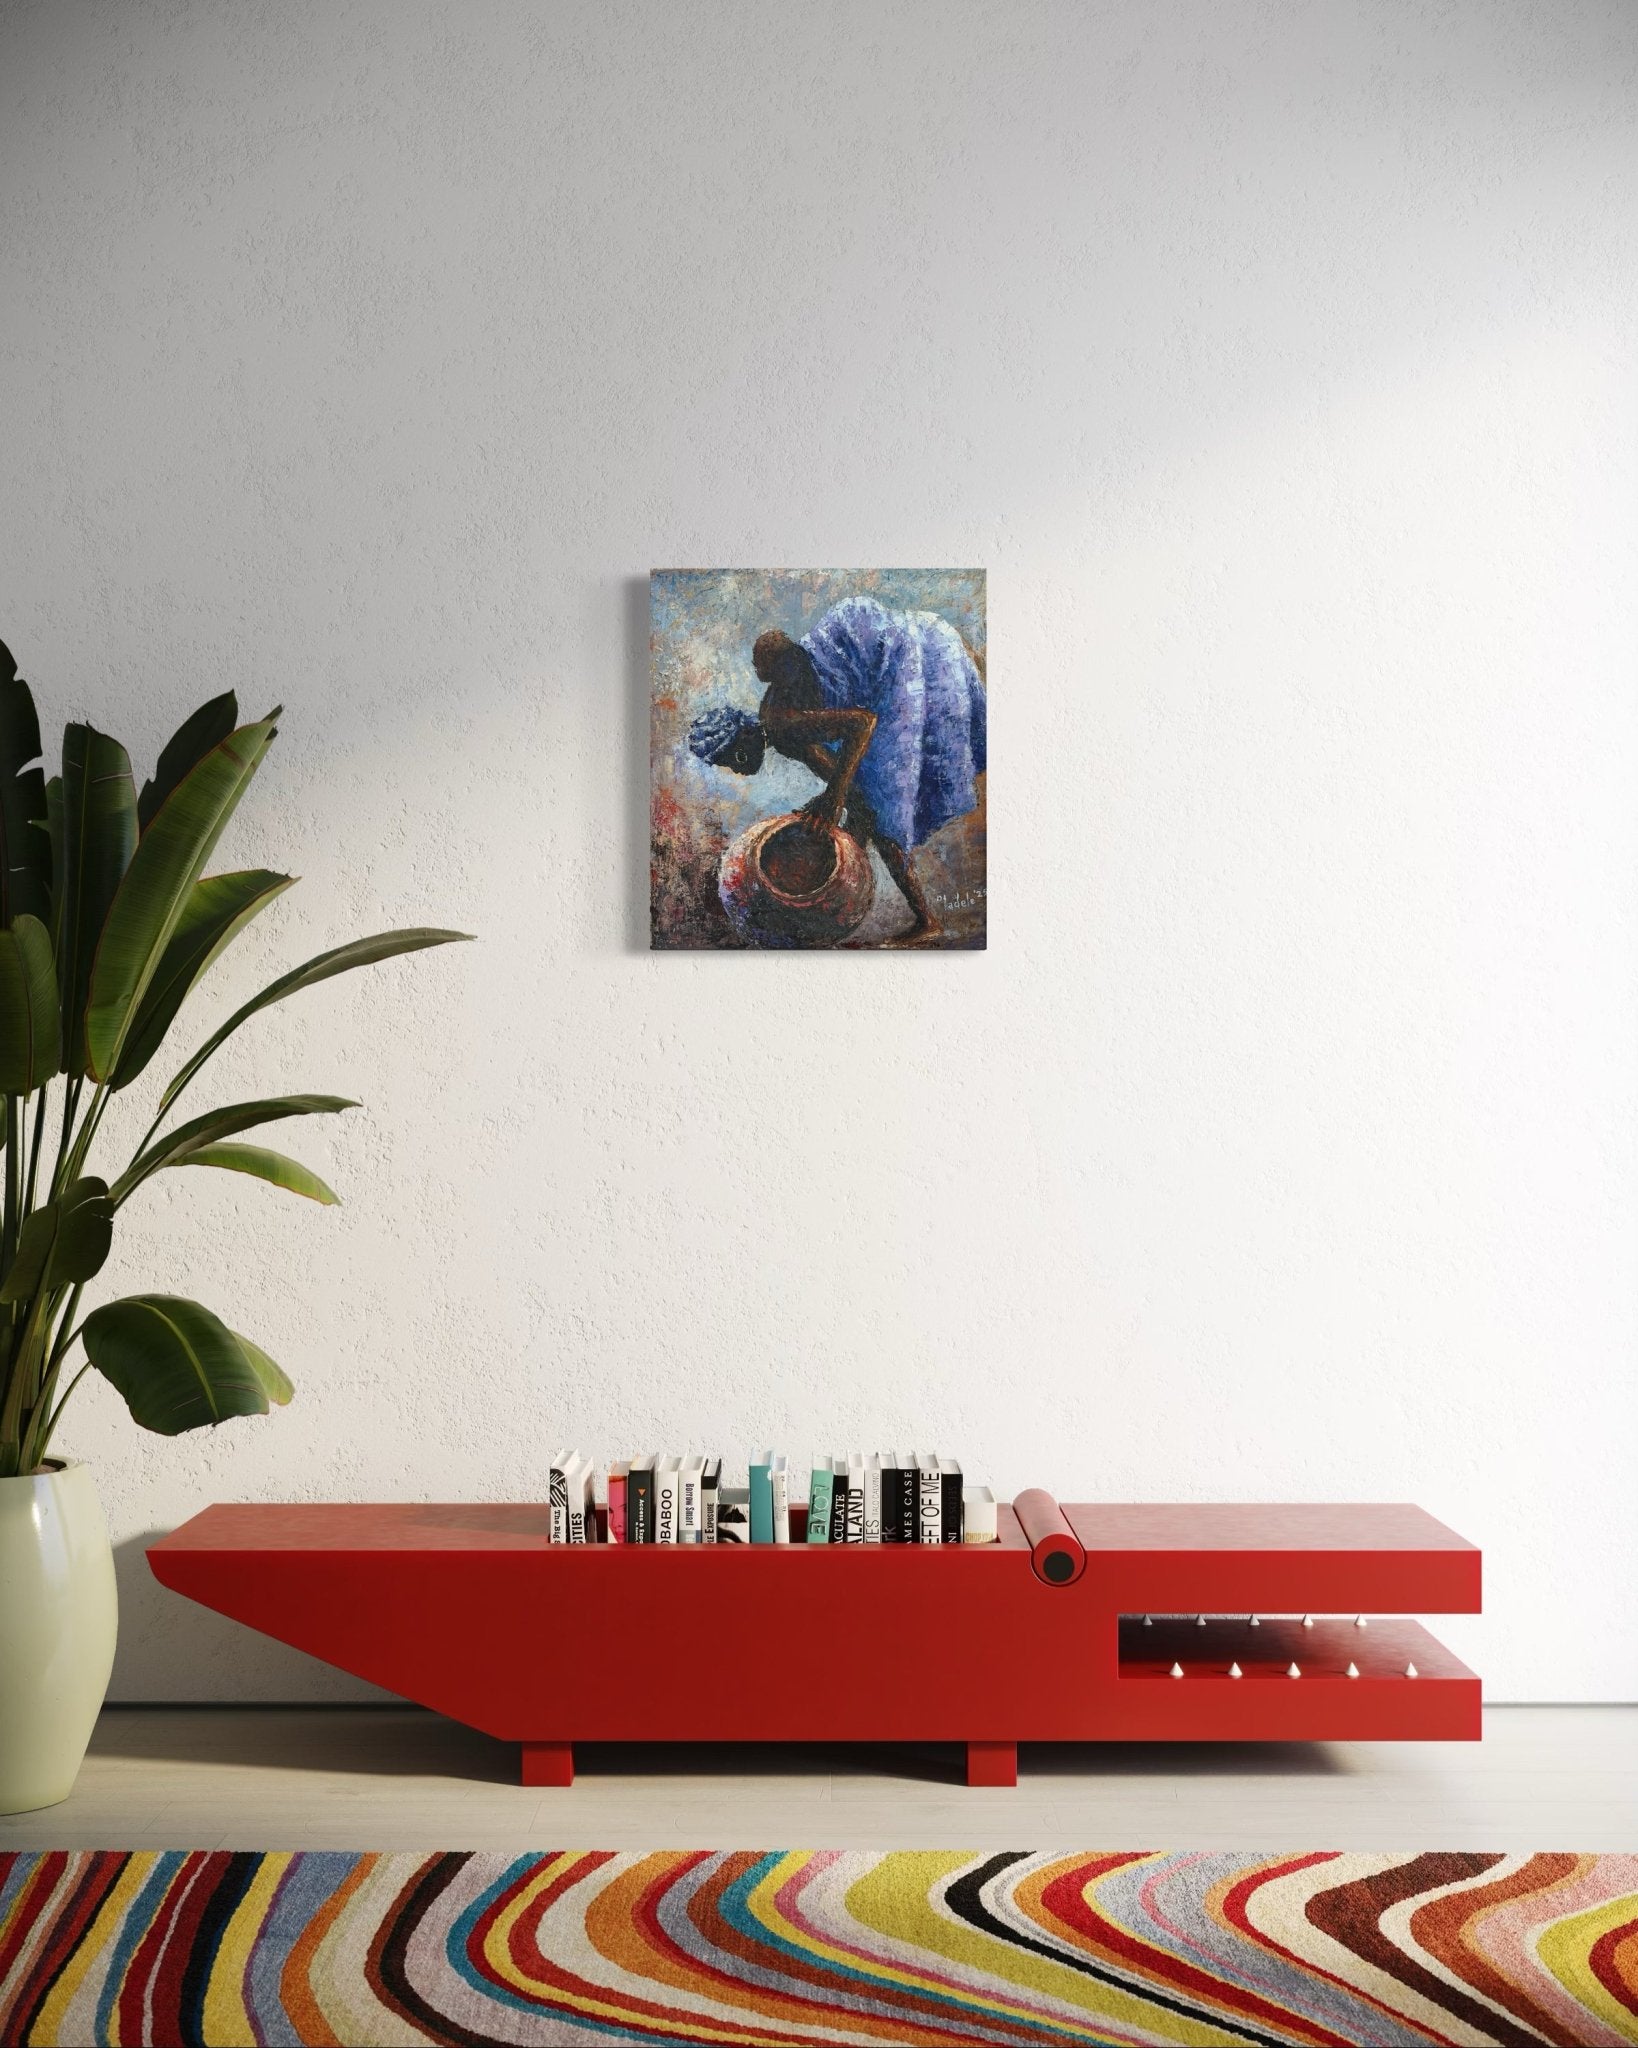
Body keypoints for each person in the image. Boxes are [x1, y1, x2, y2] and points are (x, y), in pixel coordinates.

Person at [687, 594, 986, 944]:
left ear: (739, 751)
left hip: (887, 670)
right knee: (870, 811)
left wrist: (835, 797)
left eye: (729, 763)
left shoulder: (782, 724)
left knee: (883, 817)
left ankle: (927, 921)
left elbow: (862, 723)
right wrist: (835, 802)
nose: (736, 772)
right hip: (872, 688)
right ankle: (921, 918)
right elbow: (850, 784)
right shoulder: (781, 732)